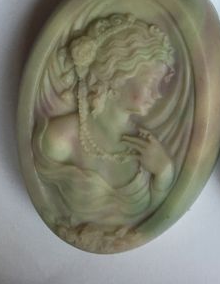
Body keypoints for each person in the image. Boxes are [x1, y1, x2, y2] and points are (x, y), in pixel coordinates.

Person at [33, 13, 179, 252]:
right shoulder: (59, 137)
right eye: (151, 82)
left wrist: (164, 172)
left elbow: (157, 211)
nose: (158, 94)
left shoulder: (148, 148)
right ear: (117, 76)